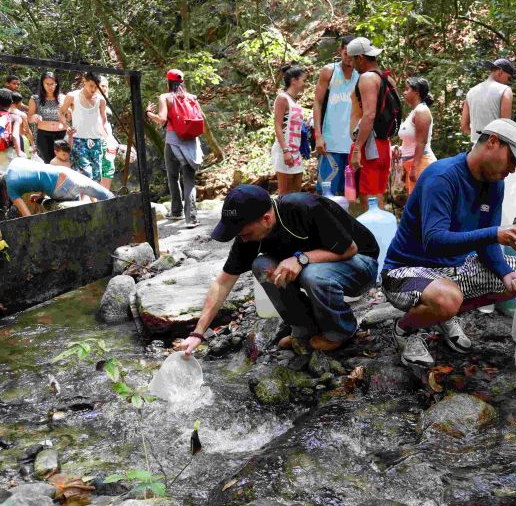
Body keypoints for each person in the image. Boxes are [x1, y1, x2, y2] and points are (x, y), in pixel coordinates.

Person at [382, 118, 516, 366]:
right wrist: (494, 233)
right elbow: (434, 241)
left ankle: (442, 316)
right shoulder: (442, 177)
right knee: (447, 299)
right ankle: (405, 329)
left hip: (453, 270)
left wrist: (505, 272)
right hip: (403, 272)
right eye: (512, 160)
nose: (512, 170)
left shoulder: (495, 184)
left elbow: (487, 242)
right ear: (493, 142)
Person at [178, 184, 380, 356]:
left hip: (360, 264)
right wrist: (197, 333)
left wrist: (301, 259)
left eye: (245, 233)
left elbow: (350, 249)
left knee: (312, 274)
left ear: (266, 219)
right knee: (262, 266)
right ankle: (303, 330)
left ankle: (339, 333)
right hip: (318, 266)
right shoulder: (247, 237)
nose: (243, 239)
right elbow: (223, 283)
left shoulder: (304, 207)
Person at [146, 69, 202, 228]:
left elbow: (162, 119)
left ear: (168, 82)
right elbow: (200, 117)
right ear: (182, 82)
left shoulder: (165, 97)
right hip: (191, 141)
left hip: (173, 141)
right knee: (189, 179)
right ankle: (191, 218)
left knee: (173, 176)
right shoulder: (192, 98)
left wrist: (149, 113)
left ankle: (176, 212)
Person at [347, 37, 395, 209]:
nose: (351, 65)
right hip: (382, 144)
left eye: (352, 60)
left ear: (360, 58)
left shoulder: (367, 78)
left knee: (369, 197)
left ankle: (372, 235)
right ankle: (379, 234)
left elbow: (369, 115)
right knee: (378, 193)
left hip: (370, 147)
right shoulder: (386, 78)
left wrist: (358, 148)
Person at [313, 36, 359, 197]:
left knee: (349, 195)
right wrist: (318, 135)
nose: (349, 57)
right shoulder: (330, 71)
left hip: (353, 145)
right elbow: (317, 102)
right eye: (346, 53)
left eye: (353, 54)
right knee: (326, 193)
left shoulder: (361, 75)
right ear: (340, 51)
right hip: (330, 142)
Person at [4, 156, 114, 217]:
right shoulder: (15, 161)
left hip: (60, 189)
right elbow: (40, 171)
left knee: (76, 214)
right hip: (64, 172)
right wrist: (41, 195)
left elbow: (28, 216)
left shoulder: (11, 189)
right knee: (104, 193)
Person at [60, 71, 107, 181]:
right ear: (84, 81)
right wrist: (66, 126)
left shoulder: (101, 100)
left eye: (96, 87)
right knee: (85, 173)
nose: (93, 89)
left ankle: (91, 198)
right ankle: (86, 198)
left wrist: (104, 134)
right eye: (91, 86)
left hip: (96, 140)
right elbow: (61, 112)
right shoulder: (72, 96)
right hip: (78, 140)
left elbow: (104, 120)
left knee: (96, 175)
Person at [396, 77, 436, 195]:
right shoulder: (414, 112)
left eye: (407, 89)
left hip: (421, 163)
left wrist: (414, 168)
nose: (404, 92)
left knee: (421, 205)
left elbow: (421, 142)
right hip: (411, 163)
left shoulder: (422, 111)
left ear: (416, 92)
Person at [461, 59, 515, 144]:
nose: (508, 82)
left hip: (476, 150)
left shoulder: (471, 92)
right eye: (509, 78)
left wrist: (480, 138)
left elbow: (464, 126)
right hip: (495, 149)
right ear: (500, 72)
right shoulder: (505, 90)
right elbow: (505, 125)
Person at [271, 65, 306, 195]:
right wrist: (285, 150)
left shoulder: (294, 101)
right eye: (303, 80)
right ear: (294, 81)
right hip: (284, 150)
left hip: (295, 151)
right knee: (285, 194)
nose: (305, 84)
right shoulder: (282, 98)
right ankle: (282, 215)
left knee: (297, 192)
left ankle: (294, 216)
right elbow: (278, 125)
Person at [27, 71, 66, 164]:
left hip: (62, 134)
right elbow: (29, 118)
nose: (50, 86)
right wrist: (35, 117)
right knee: (48, 162)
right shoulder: (35, 98)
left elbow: (70, 117)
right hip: (44, 135)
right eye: (47, 84)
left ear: (56, 84)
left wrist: (67, 111)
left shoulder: (63, 98)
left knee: (62, 162)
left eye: (52, 84)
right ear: (42, 84)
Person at [0, 89, 26, 172]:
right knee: (6, 175)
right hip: (7, 150)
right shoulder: (15, 117)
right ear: (11, 103)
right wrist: (19, 152)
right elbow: (15, 136)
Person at [98, 76, 119, 191]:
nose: (104, 88)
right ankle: (99, 199)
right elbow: (97, 123)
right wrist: (108, 139)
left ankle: (105, 196)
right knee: (102, 169)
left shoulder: (104, 102)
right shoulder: (94, 101)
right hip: (99, 139)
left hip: (107, 139)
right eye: (102, 86)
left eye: (106, 86)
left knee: (109, 169)